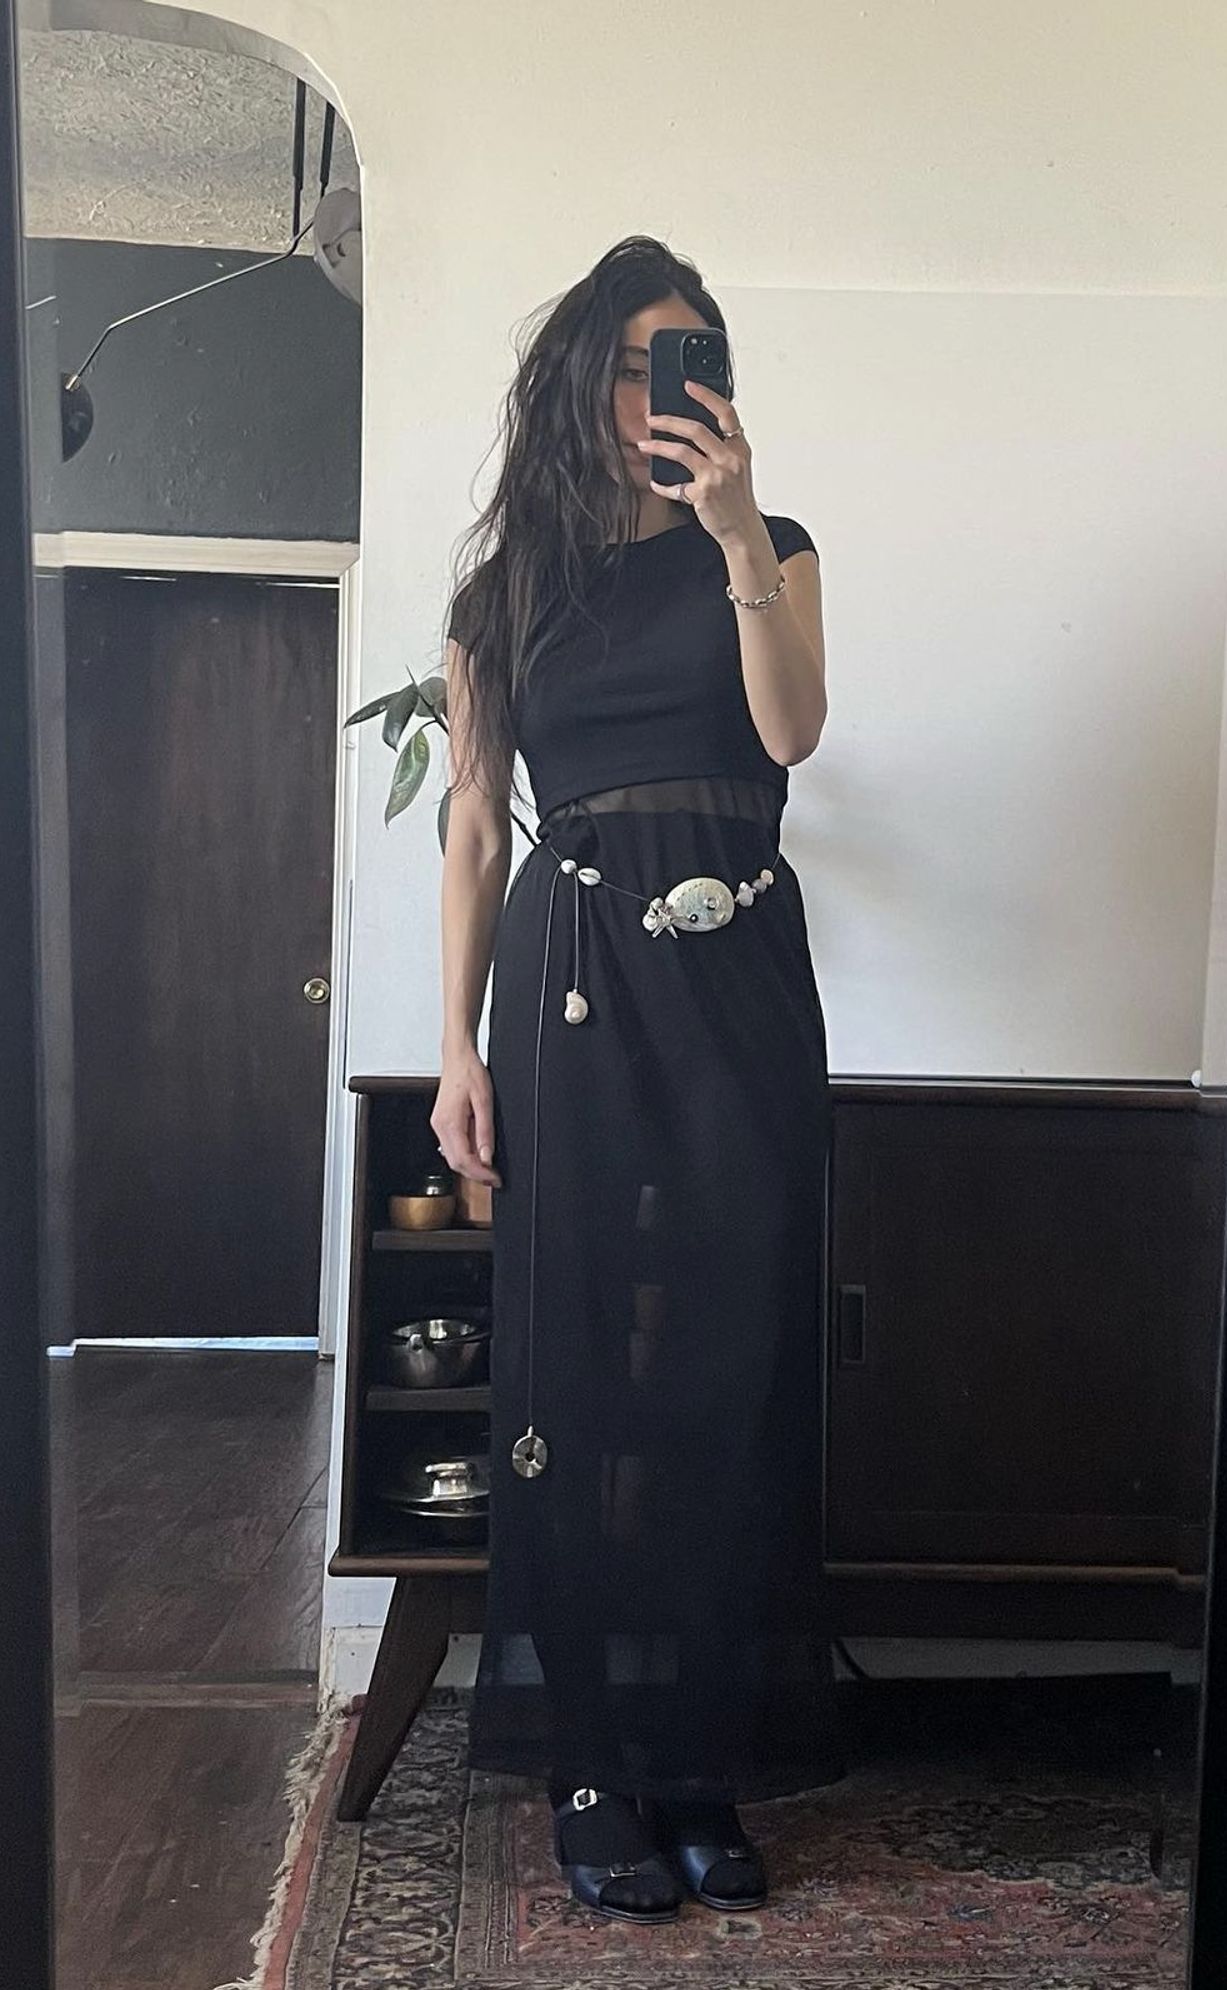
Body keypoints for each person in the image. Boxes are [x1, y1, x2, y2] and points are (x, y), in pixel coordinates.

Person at [430, 234, 846, 1926]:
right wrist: (456, 1043)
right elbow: (475, 823)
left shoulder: (777, 545)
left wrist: (738, 537)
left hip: (739, 963)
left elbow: (791, 733)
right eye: (636, 360)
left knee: (733, 1356)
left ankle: (698, 1753)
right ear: (579, 380)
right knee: (576, 1357)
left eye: (694, 358)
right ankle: (593, 1757)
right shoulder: (504, 590)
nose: (664, 390)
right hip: (574, 972)